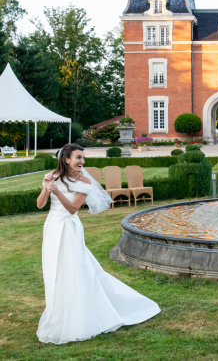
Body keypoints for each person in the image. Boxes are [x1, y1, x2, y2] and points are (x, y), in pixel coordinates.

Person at [35, 144, 160, 344]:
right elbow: (40, 204)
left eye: (83, 158)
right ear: (66, 159)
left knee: (75, 268)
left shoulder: (84, 181)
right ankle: (59, 309)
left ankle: (81, 313)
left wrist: (58, 193)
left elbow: (74, 209)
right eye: (78, 157)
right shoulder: (52, 176)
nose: (82, 162)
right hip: (52, 227)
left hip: (69, 227)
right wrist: (46, 187)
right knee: (54, 269)